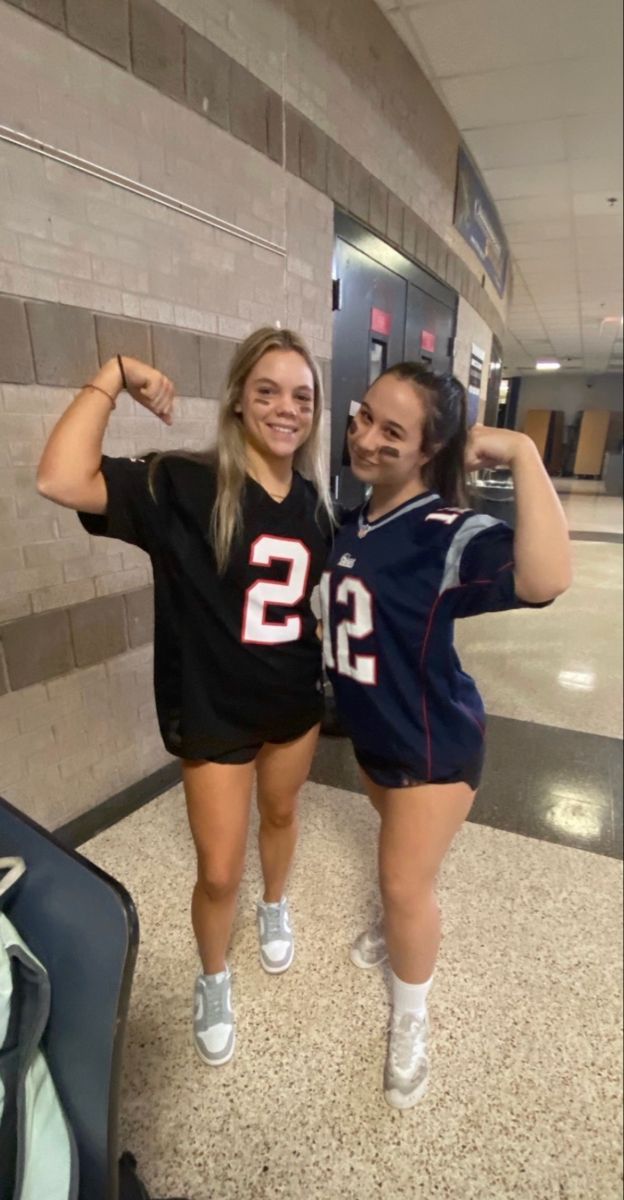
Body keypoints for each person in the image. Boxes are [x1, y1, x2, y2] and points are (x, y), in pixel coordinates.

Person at [37, 327, 334, 1067]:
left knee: (283, 813)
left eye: (302, 396)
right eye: (267, 391)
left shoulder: (318, 506)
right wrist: (112, 375)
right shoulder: (183, 482)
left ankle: (275, 907)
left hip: (294, 702)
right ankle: (214, 977)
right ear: (237, 399)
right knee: (218, 870)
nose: (285, 409)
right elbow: (61, 479)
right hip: (211, 714)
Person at [320, 363, 571, 1110]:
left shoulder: (447, 532)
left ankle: (412, 1018)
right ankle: (395, 925)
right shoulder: (352, 520)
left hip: (434, 747)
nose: (364, 437)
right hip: (374, 737)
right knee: (399, 858)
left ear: (431, 450)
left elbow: (545, 578)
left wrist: (524, 452)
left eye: (391, 431)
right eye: (364, 417)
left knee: (404, 882)